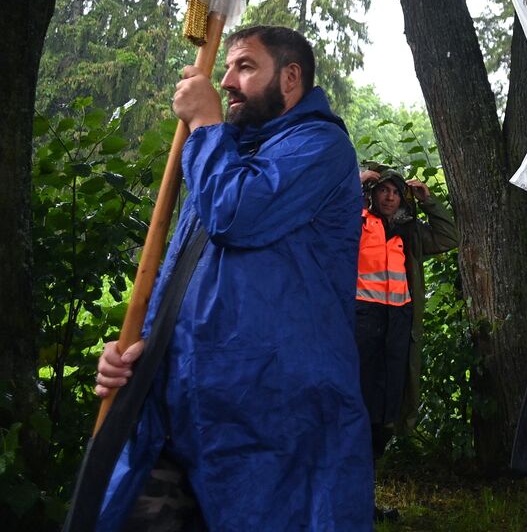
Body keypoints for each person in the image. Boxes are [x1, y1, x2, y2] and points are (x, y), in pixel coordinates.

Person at [92, 26, 370, 529]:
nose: (226, 81)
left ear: (290, 78)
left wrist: (203, 124)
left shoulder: (320, 148)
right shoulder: (222, 155)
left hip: (271, 423)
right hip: (182, 410)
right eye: (228, 68)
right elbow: (189, 279)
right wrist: (140, 351)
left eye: (244, 66)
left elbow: (237, 214)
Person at [355, 166, 458, 516]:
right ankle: (352, 500)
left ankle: (365, 501)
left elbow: (448, 236)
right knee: (357, 411)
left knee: (387, 413)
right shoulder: (356, 222)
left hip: (398, 327)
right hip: (362, 326)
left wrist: (429, 200)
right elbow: (327, 217)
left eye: (396, 192)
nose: (389, 197)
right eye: (383, 190)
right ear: (372, 193)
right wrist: (357, 182)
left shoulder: (408, 232)